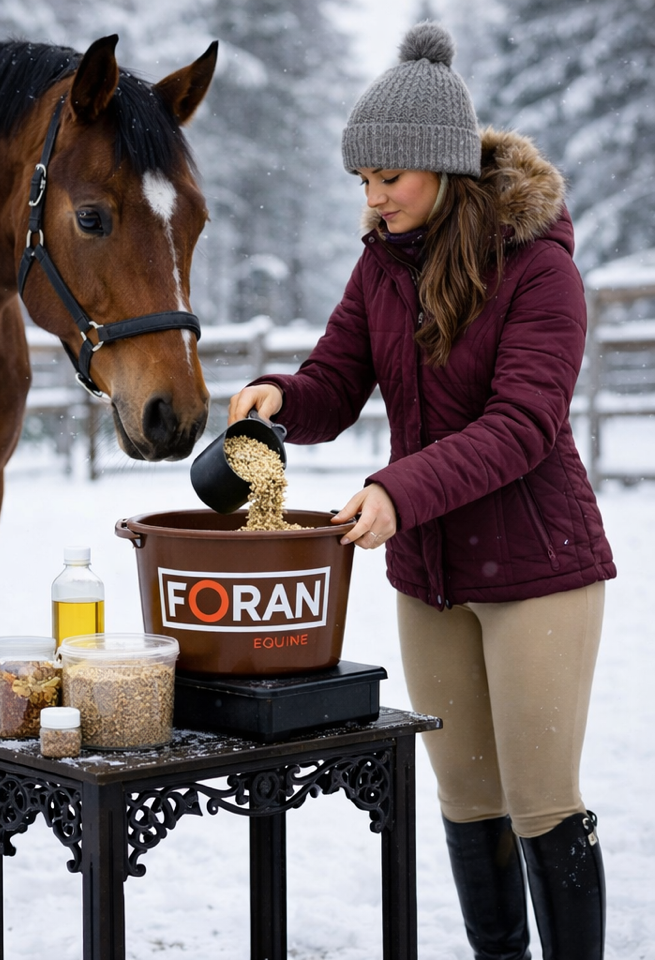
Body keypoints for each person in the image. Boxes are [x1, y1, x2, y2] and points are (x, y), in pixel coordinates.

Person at [229, 21, 614, 960]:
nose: (373, 198)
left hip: (539, 571)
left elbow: (523, 426)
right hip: (430, 571)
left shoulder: (540, 271)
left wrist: (398, 489)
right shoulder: (381, 266)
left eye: (389, 178)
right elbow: (336, 377)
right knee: (466, 798)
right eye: (361, 181)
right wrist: (282, 396)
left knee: (539, 800)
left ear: (442, 166)